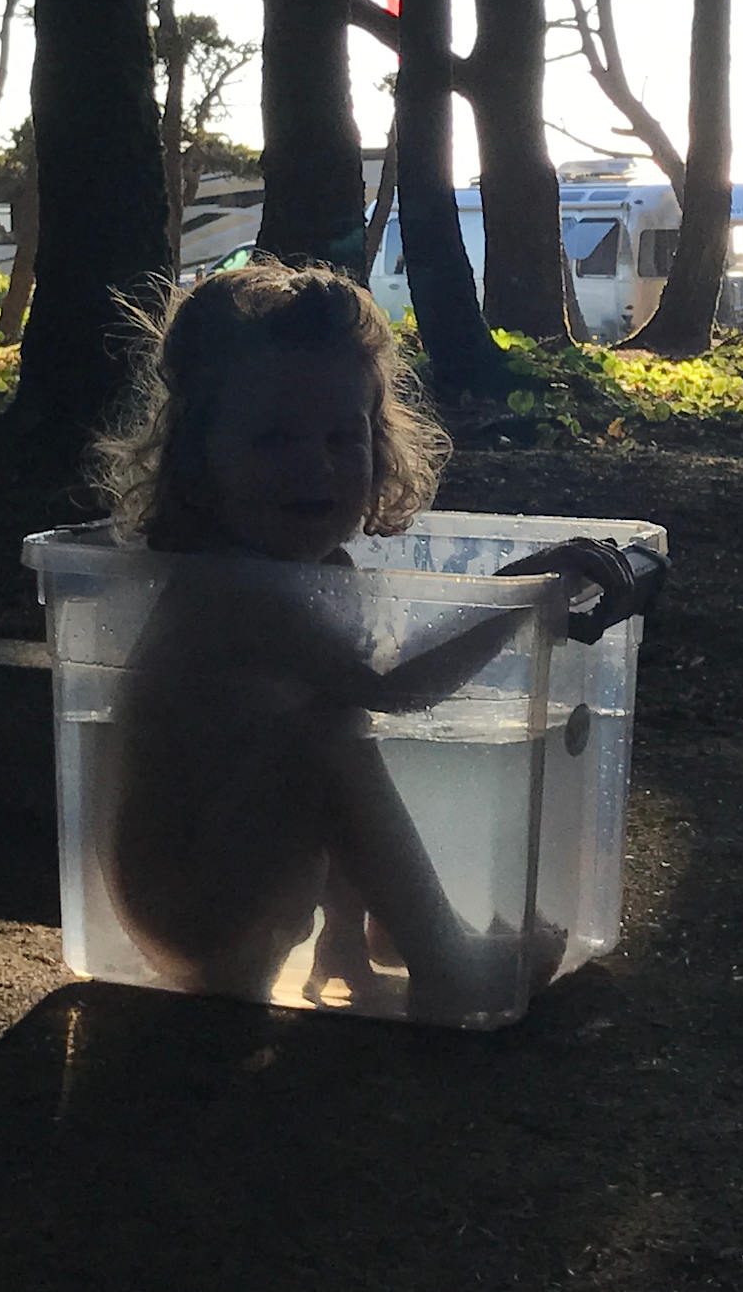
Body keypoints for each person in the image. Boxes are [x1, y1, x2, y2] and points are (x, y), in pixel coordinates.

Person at [89, 259, 659, 1019]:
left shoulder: (321, 569)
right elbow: (396, 689)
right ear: (199, 457)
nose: (314, 467)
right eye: (272, 439)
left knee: (329, 720)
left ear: (377, 440)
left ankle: (357, 946)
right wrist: (519, 593)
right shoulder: (229, 588)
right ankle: (445, 959)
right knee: (325, 731)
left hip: (243, 881)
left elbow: (344, 736)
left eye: (341, 435)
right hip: (191, 909)